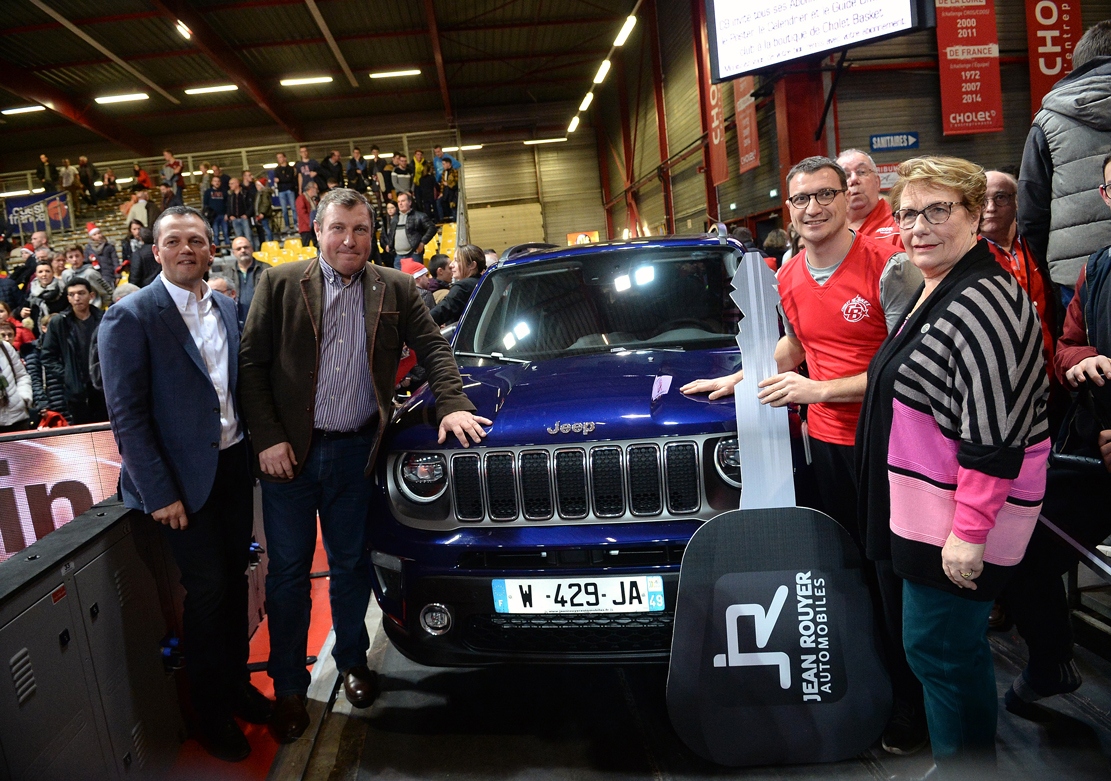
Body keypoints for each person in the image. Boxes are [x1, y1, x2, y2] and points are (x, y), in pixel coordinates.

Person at [680, 155, 925, 754]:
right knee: (850, 574)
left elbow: (908, 366)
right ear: (789, 210)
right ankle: (864, 691)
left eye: (824, 196)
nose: (812, 209)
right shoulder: (788, 274)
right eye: (801, 200)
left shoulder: (889, 269)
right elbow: (799, 343)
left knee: (894, 579)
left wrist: (819, 390)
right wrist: (742, 377)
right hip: (829, 447)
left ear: (849, 199)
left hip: (890, 443)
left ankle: (912, 708)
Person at [238, 187, 490, 743]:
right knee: (287, 577)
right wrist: (268, 439)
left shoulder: (396, 287)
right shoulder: (279, 284)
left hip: (359, 453)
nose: (348, 239)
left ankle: (353, 663)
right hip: (291, 461)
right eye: (337, 229)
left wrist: (451, 403)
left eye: (358, 229)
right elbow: (251, 366)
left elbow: (435, 350)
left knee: (351, 567)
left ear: (371, 232)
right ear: (318, 233)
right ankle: (287, 687)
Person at [857, 155, 1050, 777]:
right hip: (929, 513)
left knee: (941, 651)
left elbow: (995, 437)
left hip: (957, 522)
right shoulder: (935, 286)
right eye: (909, 213)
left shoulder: (986, 301)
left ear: (974, 216)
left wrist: (969, 532)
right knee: (943, 652)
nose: (919, 226)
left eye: (938, 211)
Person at [99, 205, 272, 762]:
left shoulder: (226, 305)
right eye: (173, 241)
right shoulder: (132, 316)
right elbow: (127, 417)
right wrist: (160, 492)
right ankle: (210, 711)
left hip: (230, 469)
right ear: (157, 251)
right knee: (210, 593)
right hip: (179, 486)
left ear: (209, 247)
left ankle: (237, 686)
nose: (186, 250)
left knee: (233, 584)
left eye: (196, 240)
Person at [1001, 152, 1111, 723]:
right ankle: (1051, 664)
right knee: (1023, 547)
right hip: (1094, 454)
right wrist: (1083, 359)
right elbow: (1066, 344)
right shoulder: (1098, 268)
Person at [1018, 19, 1111, 301]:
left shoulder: (1048, 121)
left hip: (1077, 278)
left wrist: (1048, 270)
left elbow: (1031, 212)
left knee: (1084, 346)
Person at [980, 170, 1057, 375]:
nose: (990, 208)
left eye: (1000, 197)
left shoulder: (1040, 245)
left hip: (1055, 371)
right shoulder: (966, 259)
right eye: (981, 200)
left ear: (1017, 201)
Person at [41, 278, 107, 423]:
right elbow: (48, 356)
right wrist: (67, 376)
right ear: (68, 298)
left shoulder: (104, 319)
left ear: (91, 295)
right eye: (72, 294)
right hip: (76, 392)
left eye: (81, 293)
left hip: (103, 388)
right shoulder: (60, 322)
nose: (77, 298)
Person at [837, 149, 902, 249]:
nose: (854, 179)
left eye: (861, 172)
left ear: (877, 182)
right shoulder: (829, 227)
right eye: (845, 176)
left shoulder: (899, 222)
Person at [429, 244, 486, 326]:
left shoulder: (463, 287)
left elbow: (440, 312)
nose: (451, 265)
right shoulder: (483, 282)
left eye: (456, 260)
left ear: (472, 265)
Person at [223, 236, 271, 329]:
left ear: (252, 249)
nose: (243, 250)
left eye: (246, 247)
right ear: (233, 253)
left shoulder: (267, 269)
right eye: (238, 249)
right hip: (237, 323)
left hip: (263, 321)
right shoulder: (227, 273)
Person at [385, 191, 436, 269]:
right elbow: (391, 234)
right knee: (400, 281)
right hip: (398, 257)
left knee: (416, 280)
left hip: (413, 255)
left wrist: (422, 243)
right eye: (398, 201)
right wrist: (389, 244)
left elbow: (432, 228)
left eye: (403, 201)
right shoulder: (394, 218)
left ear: (409, 202)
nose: (400, 203)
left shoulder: (419, 216)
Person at [0, 324, 33, 433]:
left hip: (18, 417)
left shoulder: (5, 347)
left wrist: (23, 398)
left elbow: (22, 376)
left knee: (23, 450)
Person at [61, 245, 113, 309]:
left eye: (77, 256)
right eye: (71, 257)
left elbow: (107, 292)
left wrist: (99, 307)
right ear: (66, 260)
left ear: (83, 257)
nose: (74, 259)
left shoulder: (91, 273)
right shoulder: (65, 274)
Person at [85, 224, 118, 289]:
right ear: (91, 237)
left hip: (109, 275)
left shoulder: (109, 246)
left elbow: (115, 261)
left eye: (99, 233)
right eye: (95, 234)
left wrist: (117, 275)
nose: (98, 236)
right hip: (95, 276)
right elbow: (85, 262)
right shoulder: (88, 249)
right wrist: (89, 259)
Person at [225, 178, 255, 249]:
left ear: (237, 184)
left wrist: (247, 214)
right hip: (235, 219)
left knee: (249, 238)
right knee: (239, 239)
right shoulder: (230, 195)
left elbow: (251, 205)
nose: (230, 185)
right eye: (229, 184)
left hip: (244, 219)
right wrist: (230, 215)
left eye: (232, 183)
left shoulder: (245, 193)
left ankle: (251, 254)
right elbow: (228, 206)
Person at [272, 152, 298, 234]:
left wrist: (281, 180)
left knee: (293, 208)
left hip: (290, 190)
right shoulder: (276, 170)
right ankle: (287, 226)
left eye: (280, 157)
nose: (279, 159)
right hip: (281, 191)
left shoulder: (290, 169)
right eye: (278, 157)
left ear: (285, 158)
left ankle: (295, 224)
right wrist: (284, 179)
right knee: (284, 210)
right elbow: (277, 180)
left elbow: (289, 178)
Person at [411, 149, 436, 215]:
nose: (419, 156)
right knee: (419, 201)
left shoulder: (425, 163)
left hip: (425, 184)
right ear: (415, 155)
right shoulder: (412, 164)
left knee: (427, 202)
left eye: (420, 155)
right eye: (418, 154)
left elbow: (429, 171)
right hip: (416, 184)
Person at [295, 181, 319, 248]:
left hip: (313, 228)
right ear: (311, 189)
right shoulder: (301, 198)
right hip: (306, 228)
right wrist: (310, 223)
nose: (317, 191)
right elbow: (302, 213)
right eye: (316, 189)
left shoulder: (314, 200)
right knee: (306, 246)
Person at [254, 176, 275, 244]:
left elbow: (266, 203)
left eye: (257, 185)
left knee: (266, 228)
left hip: (264, 214)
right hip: (261, 214)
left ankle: (270, 241)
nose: (256, 186)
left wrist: (262, 212)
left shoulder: (264, 193)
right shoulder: (259, 193)